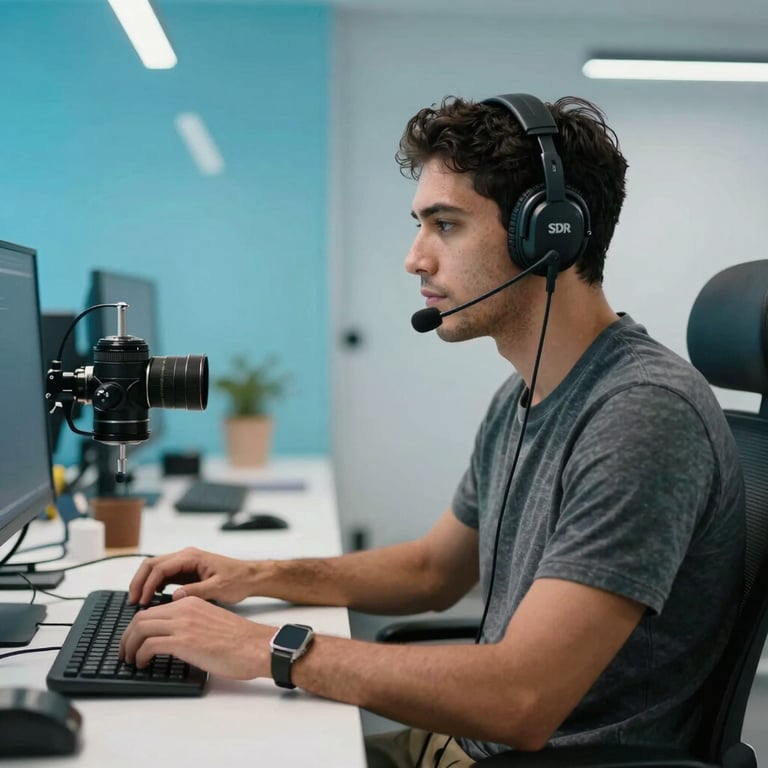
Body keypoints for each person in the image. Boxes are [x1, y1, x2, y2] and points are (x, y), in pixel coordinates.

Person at [120, 94, 745, 767]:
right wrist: (256, 574)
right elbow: (432, 571)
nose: (414, 259)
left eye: (445, 225)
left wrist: (267, 649)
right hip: (468, 747)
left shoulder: (641, 415)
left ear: (549, 235)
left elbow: (523, 699)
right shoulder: (524, 395)